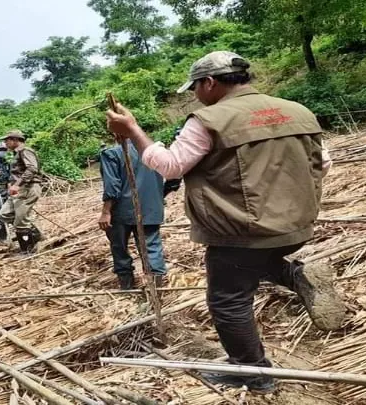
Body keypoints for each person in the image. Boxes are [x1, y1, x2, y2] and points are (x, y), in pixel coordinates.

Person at [105, 50, 346, 392]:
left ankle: (254, 374)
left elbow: (171, 166)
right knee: (255, 262)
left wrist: (132, 130)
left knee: (228, 301)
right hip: (295, 225)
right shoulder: (298, 111)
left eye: (195, 88)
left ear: (210, 82)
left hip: (241, 229)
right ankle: (296, 273)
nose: (195, 95)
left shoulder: (209, 120)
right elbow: (322, 165)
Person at [98, 140, 168, 290]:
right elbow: (174, 177)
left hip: (122, 210)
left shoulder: (112, 154)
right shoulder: (155, 151)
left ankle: (127, 287)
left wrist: (105, 212)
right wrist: (158, 196)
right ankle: (156, 291)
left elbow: (112, 186)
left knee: (119, 247)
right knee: (151, 247)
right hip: (151, 209)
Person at [0, 130, 42, 254]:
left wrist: (17, 185)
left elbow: (32, 168)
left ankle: (28, 250)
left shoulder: (25, 151)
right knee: (4, 214)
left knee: (20, 222)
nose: (5, 143)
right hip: (19, 189)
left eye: (7, 140)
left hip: (28, 188)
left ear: (15, 140)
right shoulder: (16, 154)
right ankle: (35, 234)